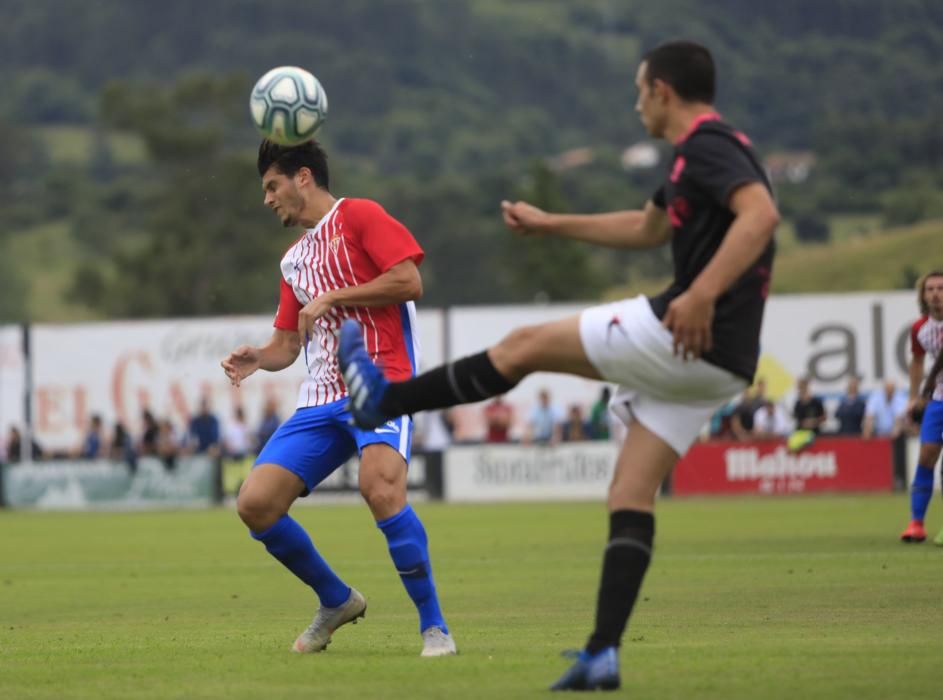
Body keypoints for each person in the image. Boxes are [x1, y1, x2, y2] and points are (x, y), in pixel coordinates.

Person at [339, 40, 778, 691]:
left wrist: (701, 293)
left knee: (522, 346)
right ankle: (601, 654)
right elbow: (646, 228)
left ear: (661, 91)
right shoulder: (693, 160)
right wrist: (550, 224)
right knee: (629, 495)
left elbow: (761, 214)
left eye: (638, 91)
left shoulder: (709, 146)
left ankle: (385, 403)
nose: (634, 104)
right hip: (718, 366)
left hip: (688, 335)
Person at [220, 139, 455, 657]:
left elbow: (408, 279)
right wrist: (258, 357)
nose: (267, 199)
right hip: (322, 396)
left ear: (303, 177)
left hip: (381, 382)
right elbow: (287, 344)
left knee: (381, 489)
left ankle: (435, 628)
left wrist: (333, 297)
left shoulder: (361, 215)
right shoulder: (293, 261)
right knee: (256, 503)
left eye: (271, 185)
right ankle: (336, 600)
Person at [900, 270, 943, 544]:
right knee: (926, 455)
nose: (936, 293)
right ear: (923, 294)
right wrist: (913, 397)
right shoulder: (920, 329)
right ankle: (916, 523)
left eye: (941, 288)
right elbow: (917, 362)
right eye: (930, 289)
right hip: (938, 398)